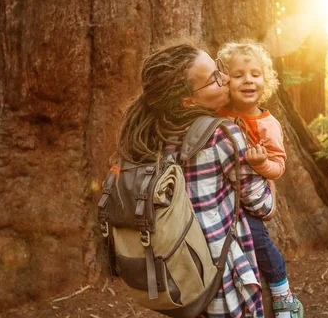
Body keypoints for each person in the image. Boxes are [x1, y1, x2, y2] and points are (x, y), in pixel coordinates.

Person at [116, 41, 274, 317]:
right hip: (220, 279)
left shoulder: (147, 138)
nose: (225, 78)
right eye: (215, 78)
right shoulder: (221, 136)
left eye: (219, 69)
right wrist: (268, 174)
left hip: (180, 277)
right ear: (188, 101)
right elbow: (263, 206)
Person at [217, 40, 303, 318]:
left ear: (265, 80)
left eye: (255, 74)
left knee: (257, 239)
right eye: (238, 75)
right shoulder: (216, 116)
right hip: (218, 195)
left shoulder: (268, 125)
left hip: (249, 202)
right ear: (225, 81)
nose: (248, 80)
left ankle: (283, 294)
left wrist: (261, 162)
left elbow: (278, 167)